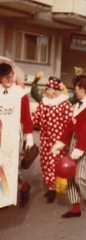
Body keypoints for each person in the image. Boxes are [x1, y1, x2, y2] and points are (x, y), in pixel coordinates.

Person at [51, 75, 86, 218]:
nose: (75, 92)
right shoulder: (78, 105)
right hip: (77, 141)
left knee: (80, 176)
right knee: (71, 175)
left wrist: (76, 152)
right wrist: (60, 143)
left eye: (77, 89)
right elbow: (70, 127)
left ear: (83, 89)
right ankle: (75, 208)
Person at [31, 76, 73, 203]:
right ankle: (51, 186)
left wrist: (66, 140)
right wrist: (25, 124)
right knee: (45, 163)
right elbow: (35, 117)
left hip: (58, 141)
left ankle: (54, 188)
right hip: (44, 139)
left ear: (54, 90)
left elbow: (70, 123)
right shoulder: (44, 103)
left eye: (48, 89)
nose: (46, 91)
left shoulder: (65, 104)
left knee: (55, 163)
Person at [0, 63, 34, 207]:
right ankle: (4, 196)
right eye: (5, 77)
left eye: (11, 76)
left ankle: (22, 186)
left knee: (11, 163)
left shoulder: (20, 93)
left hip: (14, 132)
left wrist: (29, 137)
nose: (9, 79)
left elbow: (26, 117)